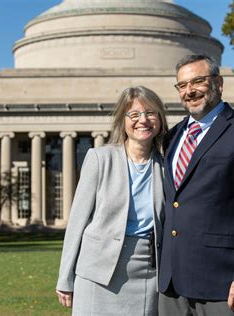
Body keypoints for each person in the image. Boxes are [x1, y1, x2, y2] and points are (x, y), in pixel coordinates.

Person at [158, 54, 234, 315]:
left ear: (219, 83)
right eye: (182, 85)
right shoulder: (172, 136)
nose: (189, 91)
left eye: (198, 81)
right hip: (171, 284)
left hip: (223, 283)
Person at [56, 86, 168, 315]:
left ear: (160, 120)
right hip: (97, 272)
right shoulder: (99, 158)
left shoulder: (166, 166)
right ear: (122, 120)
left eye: (151, 113)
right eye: (134, 114)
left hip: (146, 272)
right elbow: (77, 221)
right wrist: (65, 278)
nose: (143, 120)